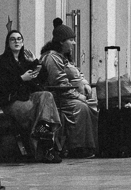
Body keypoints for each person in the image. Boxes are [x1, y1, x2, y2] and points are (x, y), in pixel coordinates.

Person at [0, 29, 62, 157]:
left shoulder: (25, 60)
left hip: (27, 96)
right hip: (11, 100)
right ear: (8, 43)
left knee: (47, 96)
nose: (16, 42)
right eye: (13, 39)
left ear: (22, 42)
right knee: (40, 111)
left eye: (19, 39)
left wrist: (35, 61)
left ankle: (41, 135)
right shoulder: (1, 61)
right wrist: (21, 78)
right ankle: (45, 145)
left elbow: (43, 77)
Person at [38, 19, 97, 156]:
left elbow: (76, 73)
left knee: (93, 107)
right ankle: (77, 147)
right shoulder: (52, 58)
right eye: (71, 40)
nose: (74, 43)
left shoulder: (64, 57)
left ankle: (94, 145)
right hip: (60, 98)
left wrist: (84, 83)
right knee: (80, 107)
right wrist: (79, 96)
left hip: (70, 95)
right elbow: (60, 84)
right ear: (61, 41)